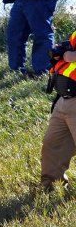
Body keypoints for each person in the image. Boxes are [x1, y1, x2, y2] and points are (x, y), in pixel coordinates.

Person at [40, 32, 76, 190]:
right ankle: (52, 186)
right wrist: (61, 52)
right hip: (63, 100)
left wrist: (71, 55)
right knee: (53, 144)